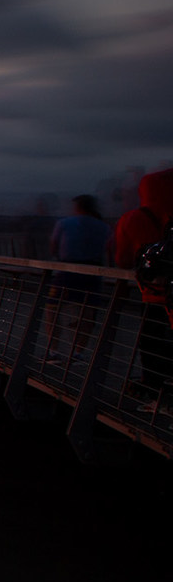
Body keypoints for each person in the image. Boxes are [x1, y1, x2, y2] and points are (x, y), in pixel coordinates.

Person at [113, 171, 173, 410]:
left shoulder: (133, 219)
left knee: (153, 346)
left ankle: (155, 395)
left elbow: (123, 260)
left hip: (156, 297)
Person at [48, 194, 112, 361]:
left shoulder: (64, 223)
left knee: (53, 309)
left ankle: (53, 350)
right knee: (87, 313)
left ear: (77, 207)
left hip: (67, 270)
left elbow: (53, 247)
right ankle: (79, 352)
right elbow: (110, 249)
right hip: (93, 272)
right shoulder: (104, 227)